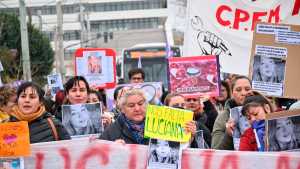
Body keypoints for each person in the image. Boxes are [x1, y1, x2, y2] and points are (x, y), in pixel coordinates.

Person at [100, 89, 196, 144]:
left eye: (141, 104)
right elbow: (99, 158)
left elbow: (179, 151)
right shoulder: (112, 131)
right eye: (131, 105)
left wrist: (190, 137)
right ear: (123, 109)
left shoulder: (161, 122)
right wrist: (112, 150)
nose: (137, 109)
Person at [212, 75, 253, 150]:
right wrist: (228, 135)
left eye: (247, 89)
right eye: (238, 90)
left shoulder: (263, 113)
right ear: (232, 93)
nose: (243, 93)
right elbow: (216, 150)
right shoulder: (223, 117)